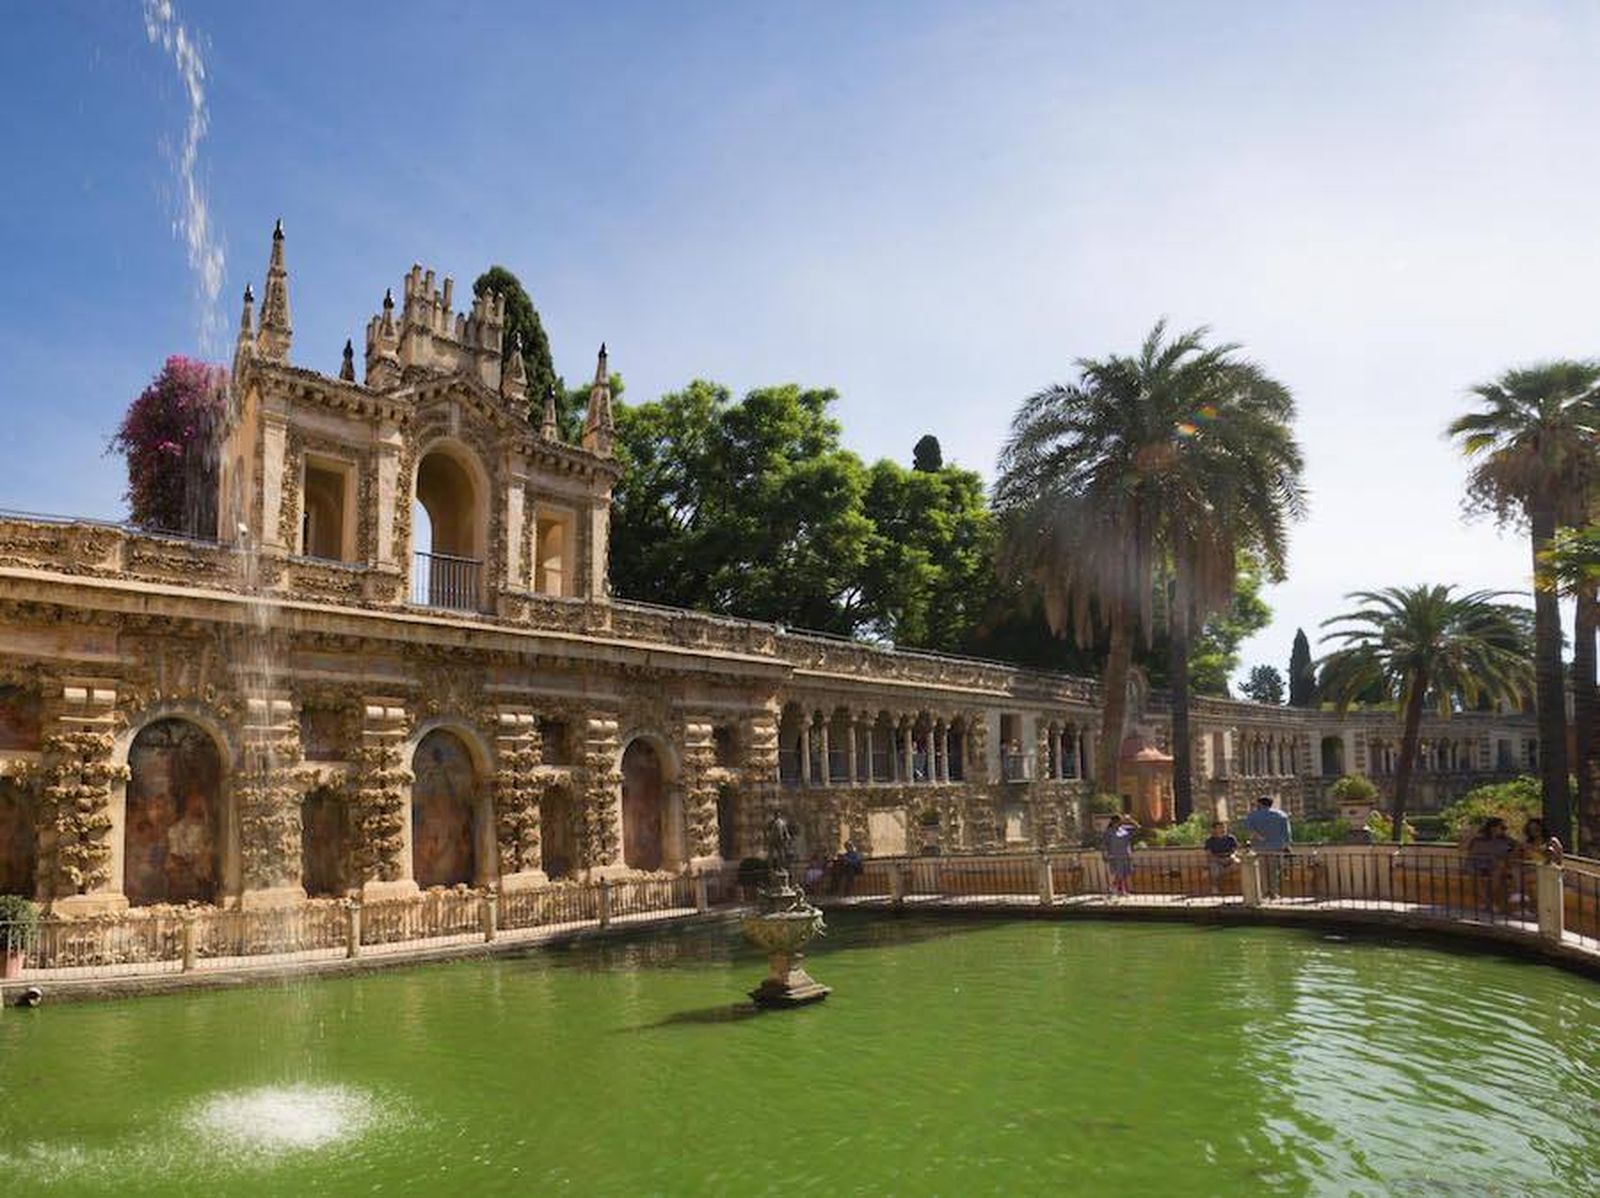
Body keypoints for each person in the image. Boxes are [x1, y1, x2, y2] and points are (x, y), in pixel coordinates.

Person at [1465, 817, 1517, 912]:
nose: (1504, 830)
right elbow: (1463, 848)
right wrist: (1470, 834)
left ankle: (1487, 903)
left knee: (1498, 872)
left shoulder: (1508, 840)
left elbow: (1517, 850)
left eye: (1504, 828)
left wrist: (1507, 858)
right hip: (1476, 862)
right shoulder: (1478, 838)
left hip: (1494, 863)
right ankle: (1489, 903)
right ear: (1492, 828)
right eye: (1501, 827)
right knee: (1474, 876)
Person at [1244, 795, 1291, 899]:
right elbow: (1287, 834)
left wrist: (1259, 838)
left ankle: (1263, 892)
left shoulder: (1252, 816)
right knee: (1274, 871)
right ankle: (1274, 893)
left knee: (1261, 871)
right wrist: (1286, 846)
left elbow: (1250, 831)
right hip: (1276, 847)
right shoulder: (1281, 815)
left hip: (1259, 848)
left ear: (1260, 804)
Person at [1102, 813, 1138, 898]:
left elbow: (1137, 827)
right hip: (1115, 855)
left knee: (1124, 874)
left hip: (1126, 854)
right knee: (1119, 873)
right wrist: (1105, 854)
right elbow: (1105, 844)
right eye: (1117, 821)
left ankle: (1119, 890)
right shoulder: (1109, 832)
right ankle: (1116, 889)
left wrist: (1130, 820)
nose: (1119, 823)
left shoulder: (1125, 829)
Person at [1203, 820, 1239, 896]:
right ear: (1215, 829)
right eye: (1220, 827)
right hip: (1217, 859)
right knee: (1215, 870)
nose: (1223, 829)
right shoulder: (1210, 840)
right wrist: (1217, 859)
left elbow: (1235, 851)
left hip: (1229, 858)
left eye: (1224, 827)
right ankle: (1215, 887)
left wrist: (1232, 856)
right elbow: (1209, 854)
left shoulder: (1231, 838)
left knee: (1240, 864)